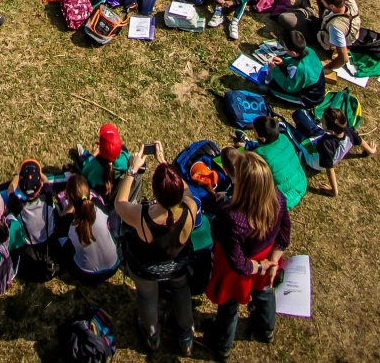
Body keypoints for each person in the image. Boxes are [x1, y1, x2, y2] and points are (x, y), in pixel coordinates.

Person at [204, 152, 291, 358]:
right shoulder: (278, 198)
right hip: (266, 255)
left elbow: (239, 264)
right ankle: (266, 330)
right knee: (264, 293)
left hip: (242, 267)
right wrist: (272, 262)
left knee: (229, 306)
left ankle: (222, 346)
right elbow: (284, 235)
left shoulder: (231, 215)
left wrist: (262, 265)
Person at [115, 142, 197, 356]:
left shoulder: (141, 215)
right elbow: (186, 190)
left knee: (147, 296)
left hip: (147, 268)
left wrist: (132, 169)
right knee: (181, 291)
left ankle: (152, 336)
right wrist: (166, 164)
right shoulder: (191, 208)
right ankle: (186, 336)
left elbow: (120, 202)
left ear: (155, 193)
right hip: (178, 264)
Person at [278, 0, 362, 72]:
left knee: (284, 18)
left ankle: (306, 11)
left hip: (323, 35)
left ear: (331, 5)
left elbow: (344, 58)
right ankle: (306, 10)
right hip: (329, 18)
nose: (320, 1)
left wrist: (327, 68)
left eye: (323, 0)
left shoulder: (335, 28)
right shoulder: (347, 0)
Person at [291, 107, 377, 196]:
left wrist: (334, 191)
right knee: (298, 113)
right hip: (319, 136)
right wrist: (371, 150)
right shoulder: (347, 131)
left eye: (323, 121)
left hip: (310, 154)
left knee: (283, 125)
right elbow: (359, 141)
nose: (320, 120)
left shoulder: (325, 144)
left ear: (332, 132)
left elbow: (330, 169)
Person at [60, 175, 119, 283]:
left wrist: (68, 208)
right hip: (114, 267)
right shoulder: (98, 204)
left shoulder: (66, 223)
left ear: (67, 197)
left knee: (63, 243)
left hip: (87, 276)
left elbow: (63, 220)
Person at [242, 116, 307, 209]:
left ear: (263, 139)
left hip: (284, 199)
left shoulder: (260, 154)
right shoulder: (283, 137)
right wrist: (248, 145)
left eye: (255, 131)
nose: (253, 132)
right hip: (302, 184)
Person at [265, 30, 326, 106]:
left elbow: (289, 87)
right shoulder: (308, 50)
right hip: (308, 83)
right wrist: (283, 62)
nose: (284, 49)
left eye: (286, 48)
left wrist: (274, 70)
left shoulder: (300, 69)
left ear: (294, 53)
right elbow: (294, 60)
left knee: (272, 89)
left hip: (309, 98)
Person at [76, 123, 130, 202]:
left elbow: (85, 171)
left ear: (100, 148)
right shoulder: (125, 156)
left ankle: (85, 154)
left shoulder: (95, 167)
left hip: (98, 195)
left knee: (80, 160)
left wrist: (94, 155)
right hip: (115, 197)